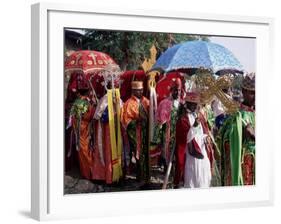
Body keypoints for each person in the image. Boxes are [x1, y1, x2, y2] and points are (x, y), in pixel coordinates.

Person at [219, 73, 255, 186]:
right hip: (244, 169)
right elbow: (224, 139)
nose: (256, 96)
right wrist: (240, 134)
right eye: (252, 93)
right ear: (244, 91)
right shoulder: (236, 115)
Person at [174, 91, 215, 188]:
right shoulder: (183, 119)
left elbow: (203, 133)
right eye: (191, 104)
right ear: (187, 104)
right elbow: (185, 139)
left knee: (203, 176)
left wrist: (207, 138)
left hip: (202, 151)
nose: (193, 106)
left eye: (195, 104)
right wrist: (195, 126)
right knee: (193, 176)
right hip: (191, 154)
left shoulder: (199, 116)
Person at [92, 78, 123, 184]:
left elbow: (96, 115)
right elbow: (97, 116)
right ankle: (109, 176)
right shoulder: (106, 98)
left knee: (115, 150)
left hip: (115, 128)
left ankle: (115, 174)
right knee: (109, 150)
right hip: (107, 129)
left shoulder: (117, 99)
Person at [121, 81, 150, 184]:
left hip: (146, 132)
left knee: (146, 154)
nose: (141, 92)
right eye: (139, 90)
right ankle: (140, 176)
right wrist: (136, 121)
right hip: (136, 133)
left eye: (142, 90)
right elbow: (125, 121)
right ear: (133, 91)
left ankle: (147, 176)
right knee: (138, 153)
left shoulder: (146, 101)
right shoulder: (128, 103)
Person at [152, 78, 182, 173]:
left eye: (179, 90)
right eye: (175, 90)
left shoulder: (182, 104)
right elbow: (159, 120)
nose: (177, 92)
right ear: (171, 90)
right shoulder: (164, 103)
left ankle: (175, 172)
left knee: (178, 153)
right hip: (167, 133)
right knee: (167, 153)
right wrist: (157, 137)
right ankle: (166, 170)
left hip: (179, 133)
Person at [67, 78, 95, 180]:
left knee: (82, 149)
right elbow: (90, 115)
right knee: (87, 149)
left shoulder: (77, 102)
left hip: (79, 128)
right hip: (86, 128)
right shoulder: (88, 102)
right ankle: (89, 172)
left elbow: (72, 117)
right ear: (87, 92)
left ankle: (85, 172)